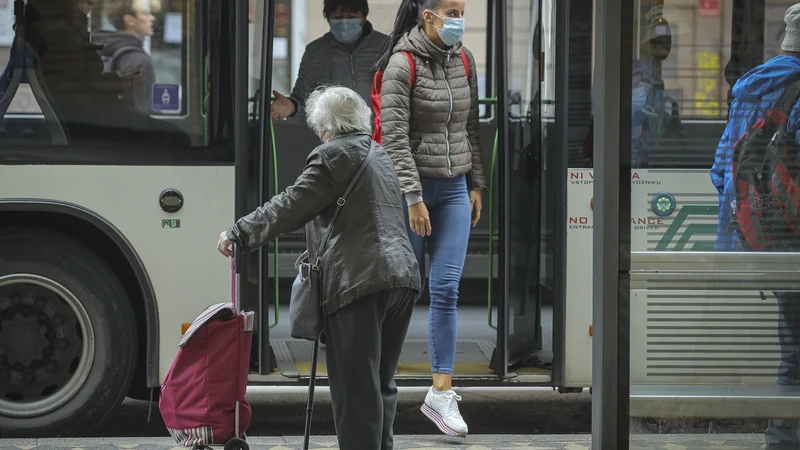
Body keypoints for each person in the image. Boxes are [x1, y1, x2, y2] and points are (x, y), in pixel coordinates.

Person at [217, 86, 421, 450]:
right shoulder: (380, 153)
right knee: (380, 382)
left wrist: (239, 232)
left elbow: (290, 206)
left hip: (359, 282)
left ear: (324, 127)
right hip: (402, 278)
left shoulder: (331, 156)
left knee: (356, 389)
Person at [372, 0, 486, 437]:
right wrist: (413, 197)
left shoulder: (465, 61)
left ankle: (440, 393)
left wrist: (476, 183)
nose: (459, 18)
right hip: (412, 194)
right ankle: (380, 382)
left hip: (454, 189)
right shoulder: (403, 63)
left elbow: (470, 128)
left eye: (462, 9)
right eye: (452, 10)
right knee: (402, 291)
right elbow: (395, 138)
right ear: (429, 16)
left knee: (446, 289)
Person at [709, 4, 800, 448]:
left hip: (773, 239)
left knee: (794, 347)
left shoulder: (752, 86)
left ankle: (781, 438)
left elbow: (721, 170)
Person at [269, 0, 388, 123]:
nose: (345, 23)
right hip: (334, 137)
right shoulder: (315, 52)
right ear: (328, 19)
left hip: (380, 136)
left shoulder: (385, 48)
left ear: (363, 17)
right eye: (337, 17)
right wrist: (293, 107)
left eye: (352, 17)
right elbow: (303, 99)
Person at [94, 0, 157, 114]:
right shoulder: (139, 61)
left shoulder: (103, 48)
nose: (152, 18)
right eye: (145, 13)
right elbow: (143, 114)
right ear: (129, 20)